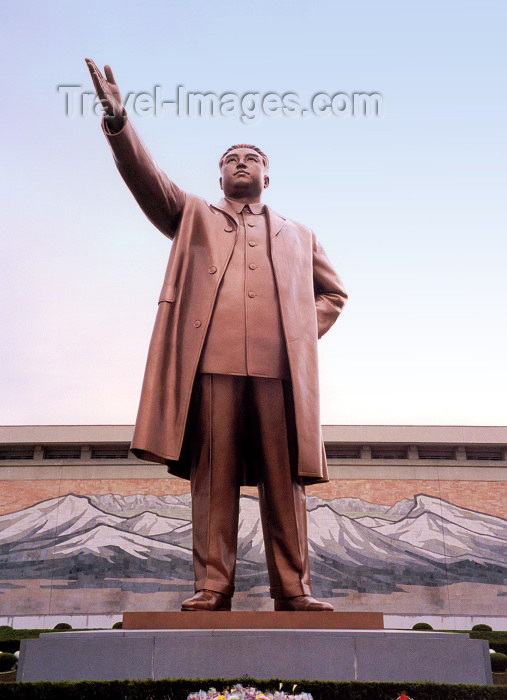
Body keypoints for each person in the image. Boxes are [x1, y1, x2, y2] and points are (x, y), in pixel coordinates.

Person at [85, 60, 348, 612]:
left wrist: (298, 333)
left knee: (284, 483)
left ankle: (294, 589)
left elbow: (334, 296)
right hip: (211, 367)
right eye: (230, 159)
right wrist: (119, 122)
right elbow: (148, 182)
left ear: (267, 176)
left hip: (279, 374)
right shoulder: (193, 217)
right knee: (213, 480)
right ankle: (212, 585)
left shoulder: (300, 234)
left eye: (251, 157)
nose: (240, 163)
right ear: (219, 177)